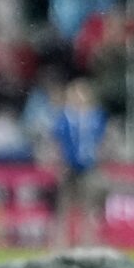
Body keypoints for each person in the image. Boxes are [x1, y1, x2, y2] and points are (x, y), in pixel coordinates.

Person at [48, 77, 111, 248]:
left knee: (88, 205)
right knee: (64, 206)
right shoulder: (64, 118)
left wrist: (99, 156)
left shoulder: (96, 117)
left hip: (88, 166)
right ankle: (61, 242)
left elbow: (102, 140)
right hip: (69, 166)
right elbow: (57, 141)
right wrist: (58, 163)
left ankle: (87, 240)